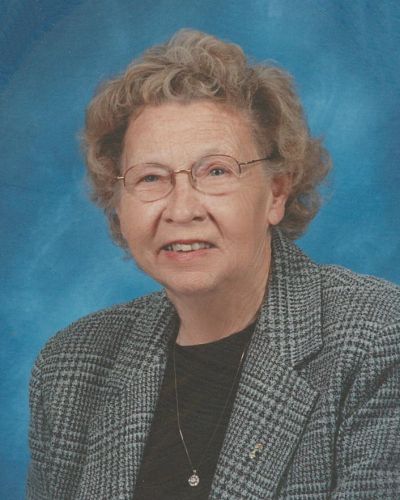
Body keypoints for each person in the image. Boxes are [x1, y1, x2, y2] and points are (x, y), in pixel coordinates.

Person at [27, 30, 400, 499]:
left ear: (277, 192)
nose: (182, 209)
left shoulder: (379, 341)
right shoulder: (71, 367)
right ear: (118, 203)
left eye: (217, 171)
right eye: (150, 178)